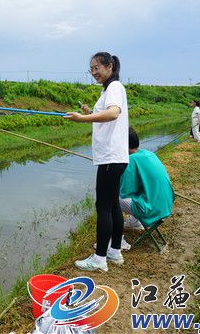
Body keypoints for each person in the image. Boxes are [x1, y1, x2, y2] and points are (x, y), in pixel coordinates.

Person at [64, 51, 129, 273]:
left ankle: (99, 259)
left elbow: (113, 114)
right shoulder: (108, 89)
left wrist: (83, 118)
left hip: (110, 158)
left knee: (103, 207)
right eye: (91, 69)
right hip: (113, 157)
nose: (93, 72)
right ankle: (114, 251)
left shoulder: (115, 87)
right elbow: (104, 116)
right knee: (112, 205)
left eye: (97, 68)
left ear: (109, 66)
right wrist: (90, 112)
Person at [119, 127, 174, 231]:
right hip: (166, 204)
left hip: (152, 209)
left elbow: (125, 192)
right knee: (137, 192)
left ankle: (114, 230)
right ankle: (134, 223)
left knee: (111, 196)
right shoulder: (149, 153)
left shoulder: (130, 160)